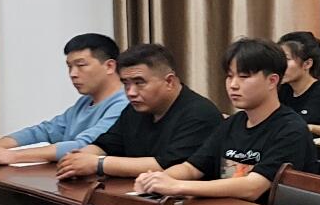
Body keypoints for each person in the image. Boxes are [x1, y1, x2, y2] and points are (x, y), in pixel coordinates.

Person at [135, 38, 317, 202]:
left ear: (272, 81)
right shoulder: (233, 123)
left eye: (244, 77)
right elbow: (191, 168)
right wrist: (156, 180)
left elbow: (253, 187)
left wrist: (178, 186)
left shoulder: (291, 129)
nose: (233, 85)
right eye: (230, 76)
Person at [56, 44, 221, 180]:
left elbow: (167, 165)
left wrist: (98, 164)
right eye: (126, 84)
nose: (130, 92)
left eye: (139, 82)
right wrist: (77, 160)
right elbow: (106, 144)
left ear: (169, 81)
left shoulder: (200, 113)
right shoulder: (135, 109)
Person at [0, 34, 128, 165]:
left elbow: (85, 146)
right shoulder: (85, 102)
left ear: (109, 66)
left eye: (81, 65)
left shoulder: (124, 104)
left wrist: (13, 156)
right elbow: (44, 131)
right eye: (69, 67)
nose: (73, 74)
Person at [277, 31, 320, 126]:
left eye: (286, 59)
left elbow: (297, 127)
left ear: (307, 64)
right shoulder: (284, 89)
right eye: (278, 59)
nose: (279, 65)